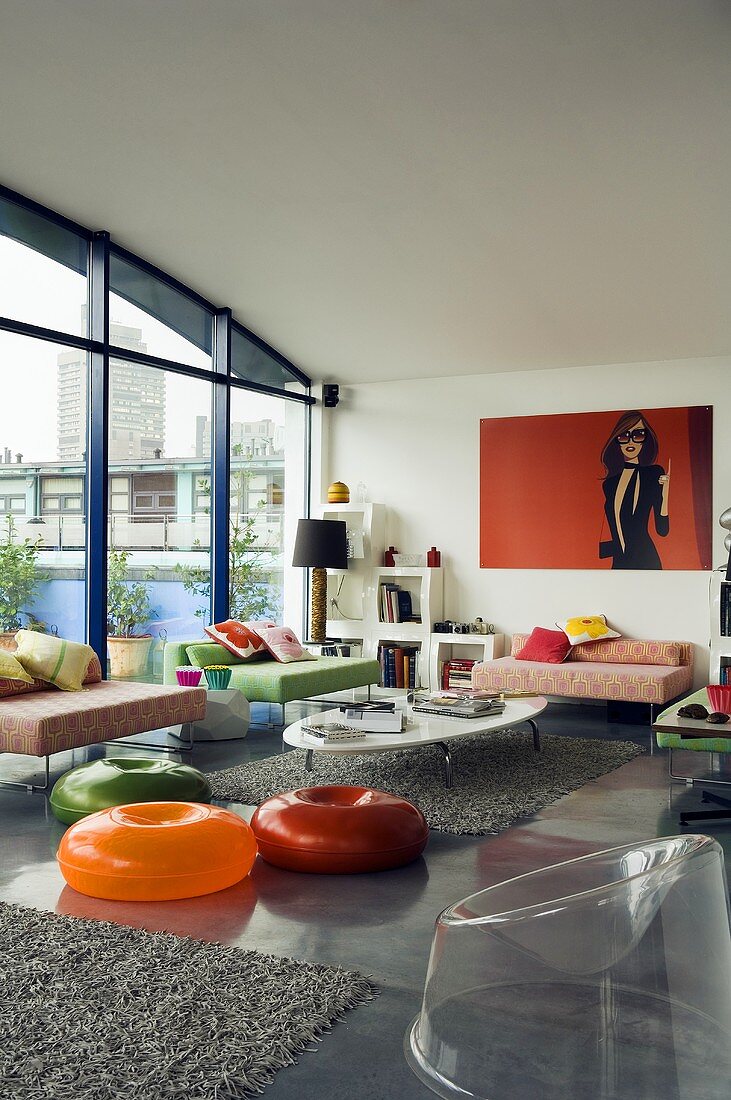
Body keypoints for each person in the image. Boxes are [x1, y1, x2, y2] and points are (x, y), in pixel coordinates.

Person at [599, 410, 670, 569]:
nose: (630, 442)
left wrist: (664, 493)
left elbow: (663, 530)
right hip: (619, 562)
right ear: (617, 441)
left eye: (637, 435)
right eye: (624, 436)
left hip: (646, 560)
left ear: (645, 439)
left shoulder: (653, 473)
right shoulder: (609, 484)